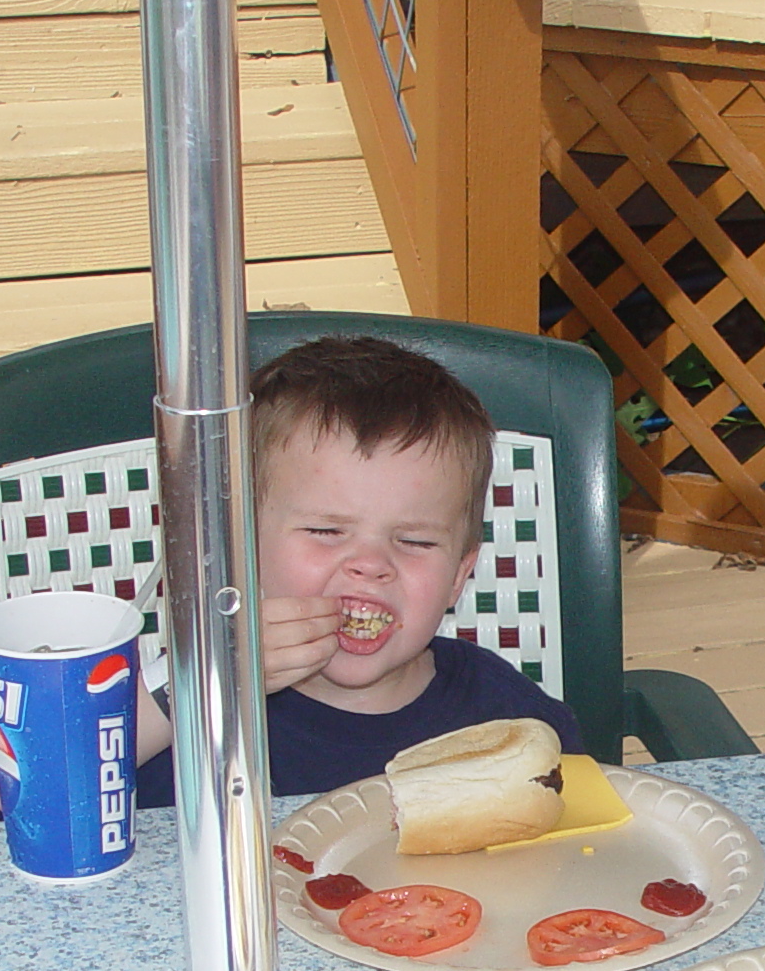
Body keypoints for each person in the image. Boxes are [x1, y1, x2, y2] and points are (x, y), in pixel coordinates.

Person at [131, 335, 582, 805]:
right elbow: (59, 788)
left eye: (414, 541)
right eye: (326, 531)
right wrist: (199, 684)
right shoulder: (185, 715)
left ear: (458, 575)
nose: (370, 565)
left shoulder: (506, 721)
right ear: (238, 553)